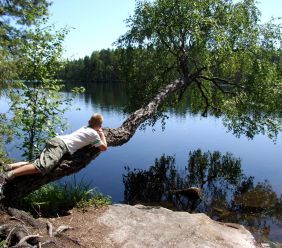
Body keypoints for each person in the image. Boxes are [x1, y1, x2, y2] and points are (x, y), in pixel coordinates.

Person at [0, 113, 107, 184]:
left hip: (57, 141)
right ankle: (9, 175)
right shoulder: (94, 134)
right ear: (100, 125)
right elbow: (104, 148)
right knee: (42, 166)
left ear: (89, 122)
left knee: (35, 162)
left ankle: (8, 167)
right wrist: (102, 134)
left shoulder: (85, 127)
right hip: (61, 146)